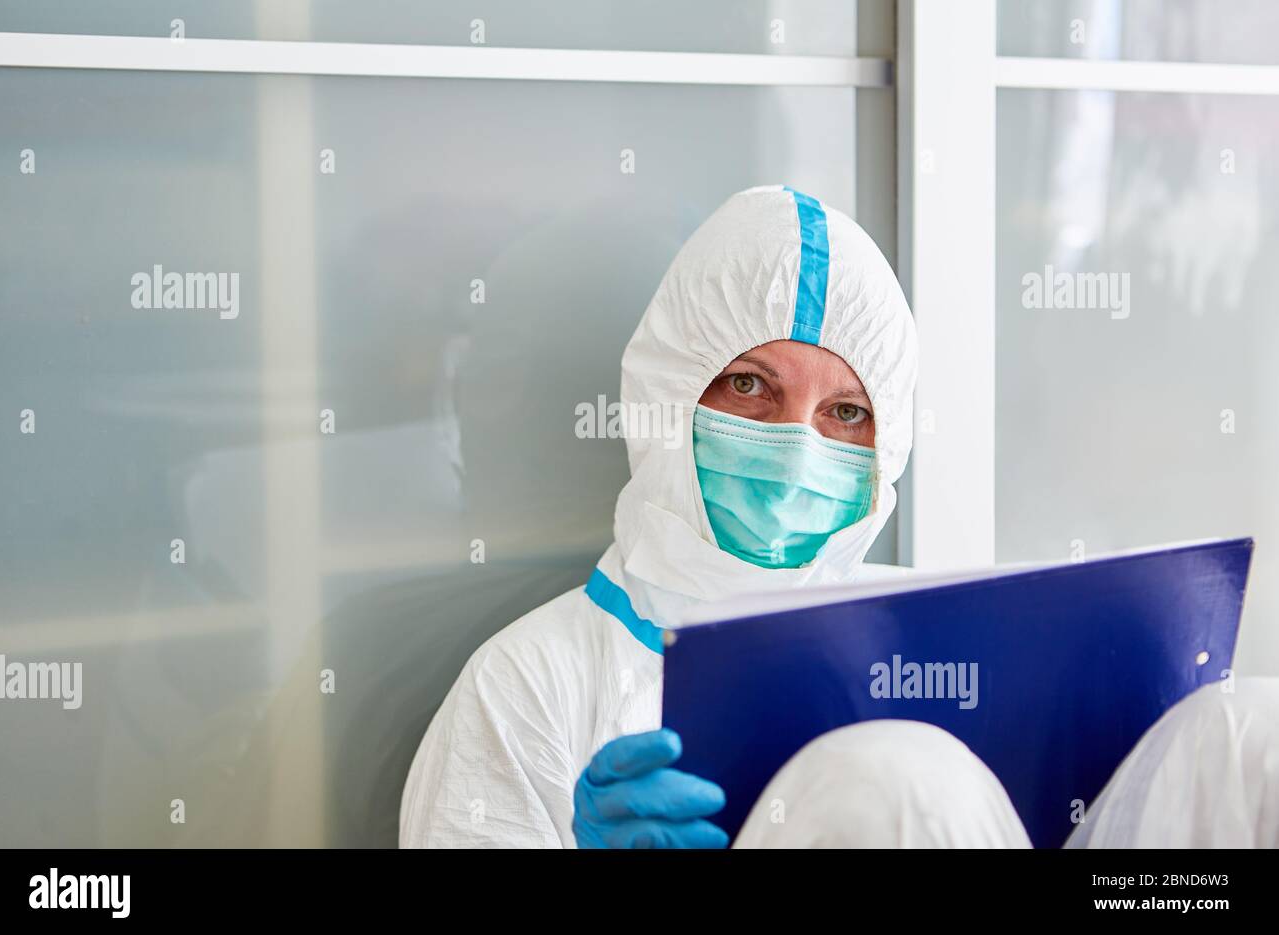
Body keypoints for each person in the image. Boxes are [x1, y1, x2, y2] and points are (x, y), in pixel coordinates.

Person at [399, 185, 1279, 848]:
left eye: (846, 413)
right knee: (892, 775)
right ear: (668, 397)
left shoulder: (939, 633)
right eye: (750, 386)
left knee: (1247, 734)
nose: (797, 445)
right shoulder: (528, 684)